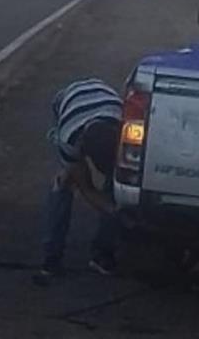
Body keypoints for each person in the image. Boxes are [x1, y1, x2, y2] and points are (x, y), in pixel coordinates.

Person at [40, 78, 124, 279]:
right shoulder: (69, 139)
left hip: (104, 95)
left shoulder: (124, 127)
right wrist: (115, 211)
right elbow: (87, 189)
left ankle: (102, 254)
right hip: (66, 100)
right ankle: (51, 257)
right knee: (64, 184)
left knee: (119, 182)